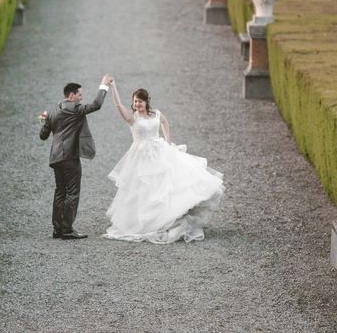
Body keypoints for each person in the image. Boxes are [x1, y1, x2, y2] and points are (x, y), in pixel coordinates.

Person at [103, 81, 224, 244]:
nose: (137, 104)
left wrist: (168, 141)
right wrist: (114, 87)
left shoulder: (156, 114)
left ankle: (170, 217)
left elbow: (164, 122)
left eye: (140, 101)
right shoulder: (132, 118)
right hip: (141, 156)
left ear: (147, 102)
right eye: (135, 101)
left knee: (168, 184)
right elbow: (118, 105)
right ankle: (150, 221)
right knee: (146, 189)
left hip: (159, 151)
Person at [39, 75, 113, 240]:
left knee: (60, 192)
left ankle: (57, 229)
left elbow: (43, 136)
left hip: (55, 158)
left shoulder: (52, 111)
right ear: (71, 95)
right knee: (72, 192)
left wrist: (44, 120)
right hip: (70, 157)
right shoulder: (75, 108)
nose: (81, 98)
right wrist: (103, 86)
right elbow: (97, 105)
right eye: (79, 94)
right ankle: (67, 230)